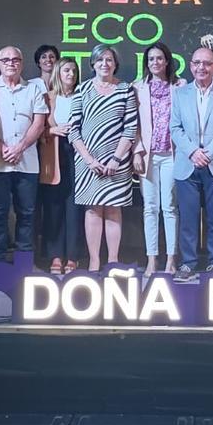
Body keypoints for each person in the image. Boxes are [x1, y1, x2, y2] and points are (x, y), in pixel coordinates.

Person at [170, 46, 213, 282]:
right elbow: (175, 128)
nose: (202, 67)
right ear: (190, 66)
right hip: (187, 163)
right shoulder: (180, 94)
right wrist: (192, 152)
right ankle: (188, 263)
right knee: (188, 217)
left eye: (207, 63)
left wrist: (206, 153)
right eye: (197, 63)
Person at [70, 44, 139, 271]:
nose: (105, 64)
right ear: (93, 64)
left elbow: (130, 129)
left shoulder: (126, 89)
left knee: (113, 208)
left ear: (115, 64)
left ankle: (112, 261)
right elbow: (74, 130)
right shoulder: (82, 89)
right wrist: (89, 160)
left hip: (116, 161)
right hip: (88, 162)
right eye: (100, 60)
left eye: (109, 60)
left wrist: (116, 159)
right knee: (92, 210)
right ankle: (94, 261)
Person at [0, 46, 48, 263]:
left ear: (22, 63)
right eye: (6, 60)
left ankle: (23, 260)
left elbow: (38, 124)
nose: (11, 63)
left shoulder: (33, 89)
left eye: (16, 59)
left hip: (27, 163)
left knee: (27, 214)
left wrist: (20, 147)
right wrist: (2, 148)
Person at [132, 42, 185, 275]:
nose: (155, 62)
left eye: (159, 58)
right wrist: (136, 150)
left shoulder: (180, 86)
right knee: (150, 208)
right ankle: (152, 259)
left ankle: (171, 259)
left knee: (170, 207)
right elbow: (131, 124)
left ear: (167, 61)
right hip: (148, 155)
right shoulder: (137, 88)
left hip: (172, 154)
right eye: (151, 59)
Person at [40, 58, 84, 274]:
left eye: (74, 71)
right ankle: (55, 256)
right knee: (54, 207)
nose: (71, 75)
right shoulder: (47, 98)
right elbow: (37, 128)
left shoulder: (83, 96)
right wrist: (51, 131)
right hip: (55, 154)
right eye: (67, 70)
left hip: (79, 153)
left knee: (75, 208)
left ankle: (73, 257)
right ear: (58, 72)